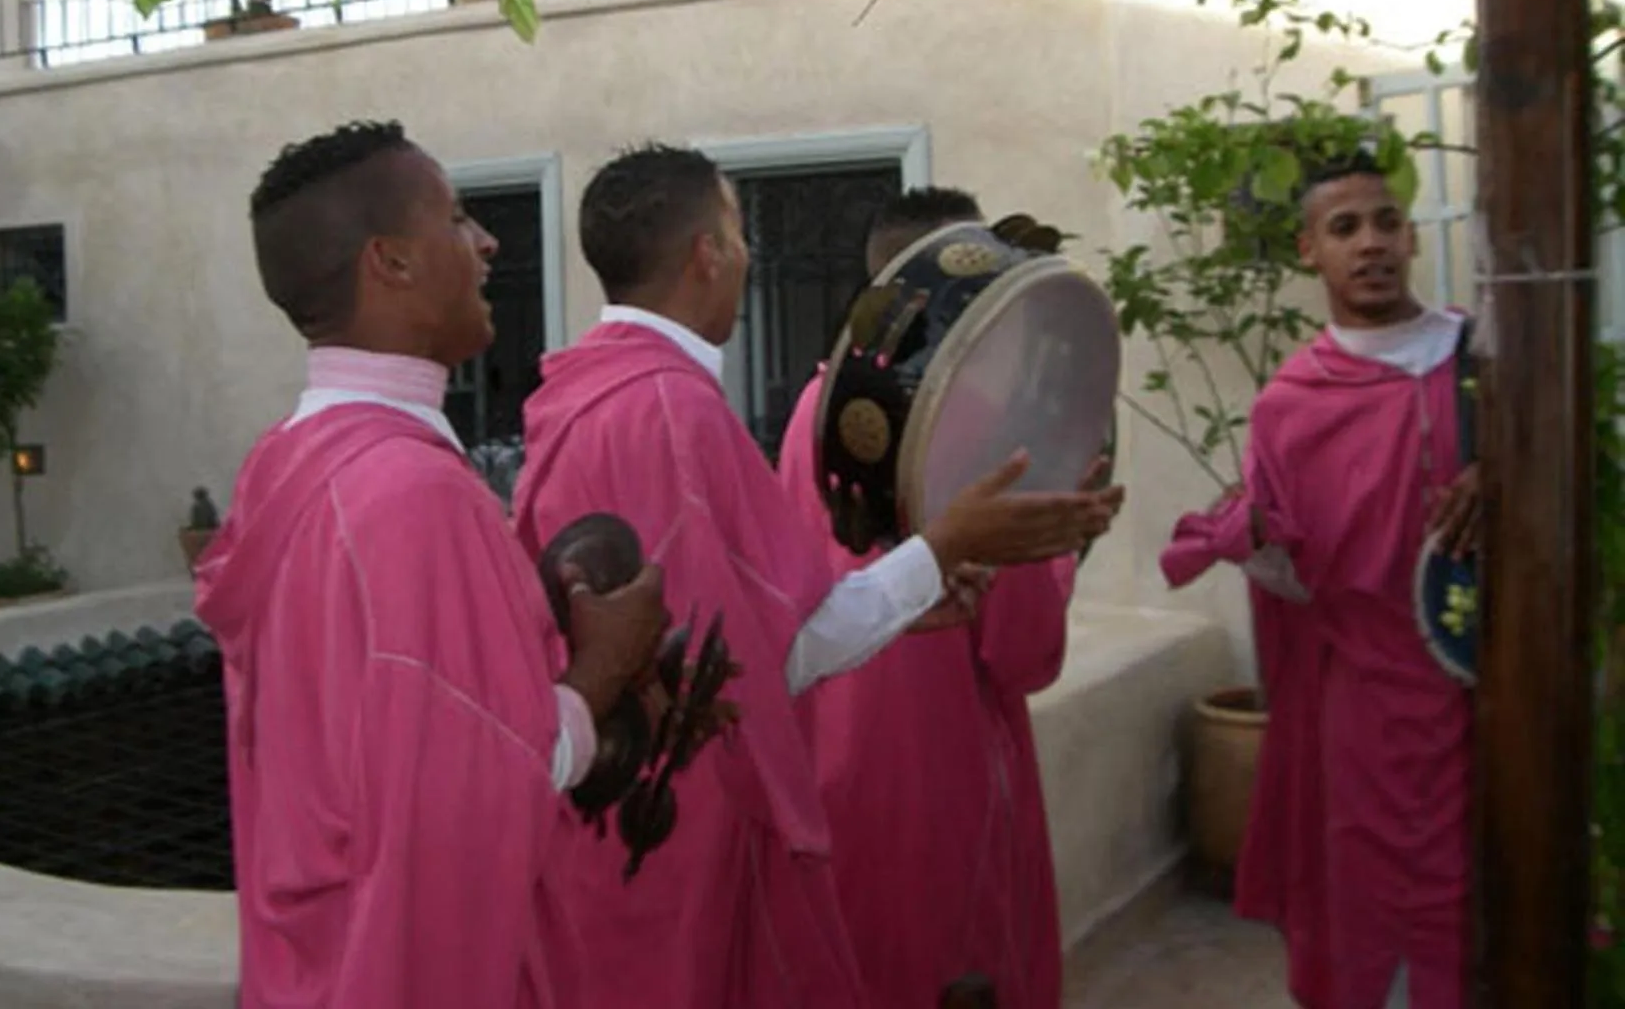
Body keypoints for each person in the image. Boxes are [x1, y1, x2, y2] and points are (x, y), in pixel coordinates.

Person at [511, 144, 1125, 1009]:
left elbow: (755, 629)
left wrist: (914, 591)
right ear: (708, 254)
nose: (750, 257)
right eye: (738, 230)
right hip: (688, 849)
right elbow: (746, 664)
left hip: (636, 829)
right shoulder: (667, 410)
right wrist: (951, 545)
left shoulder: (597, 394)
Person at [194, 121, 670, 1009]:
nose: (487, 242)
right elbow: (476, 794)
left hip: (312, 965)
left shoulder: (286, 463)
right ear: (393, 262)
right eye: (456, 220)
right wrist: (606, 664)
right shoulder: (409, 496)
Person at [1159, 153, 1478, 1009]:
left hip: (1495, 699)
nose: (1369, 243)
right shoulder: (1292, 406)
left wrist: (1510, 469)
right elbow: (1292, 588)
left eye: (1383, 222)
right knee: (1370, 918)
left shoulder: (1485, 368)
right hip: (1363, 716)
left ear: (1410, 235)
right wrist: (1257, 541)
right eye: (1344, 229)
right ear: (1310, 251)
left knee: (1494, 910)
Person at [777, 187, 1085, 1009]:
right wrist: (1063, 547)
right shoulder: (986, 425)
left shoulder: (814, 408)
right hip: (947, 786)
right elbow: (1023, 655)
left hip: (834, 769)